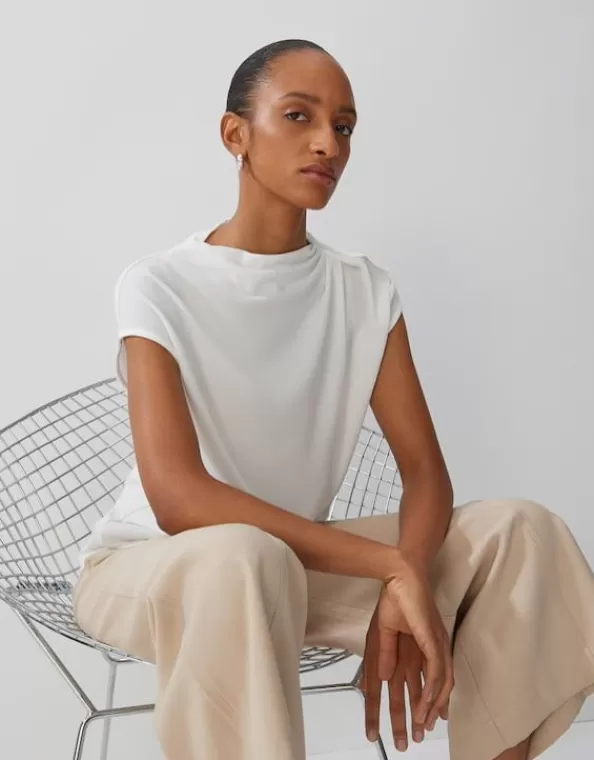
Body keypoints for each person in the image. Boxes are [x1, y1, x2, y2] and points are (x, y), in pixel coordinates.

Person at [72, 39, 594, 760]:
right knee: (243, 556)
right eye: (298, 116)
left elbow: (426, 476)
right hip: (154, 569)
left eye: (343, 126)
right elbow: (177, 497)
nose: (328, 143)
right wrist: (386, 566)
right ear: (235, 135)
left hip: (291, 566)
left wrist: (405, 577)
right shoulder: (158, 284)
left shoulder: (364, 291)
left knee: (520, 532)